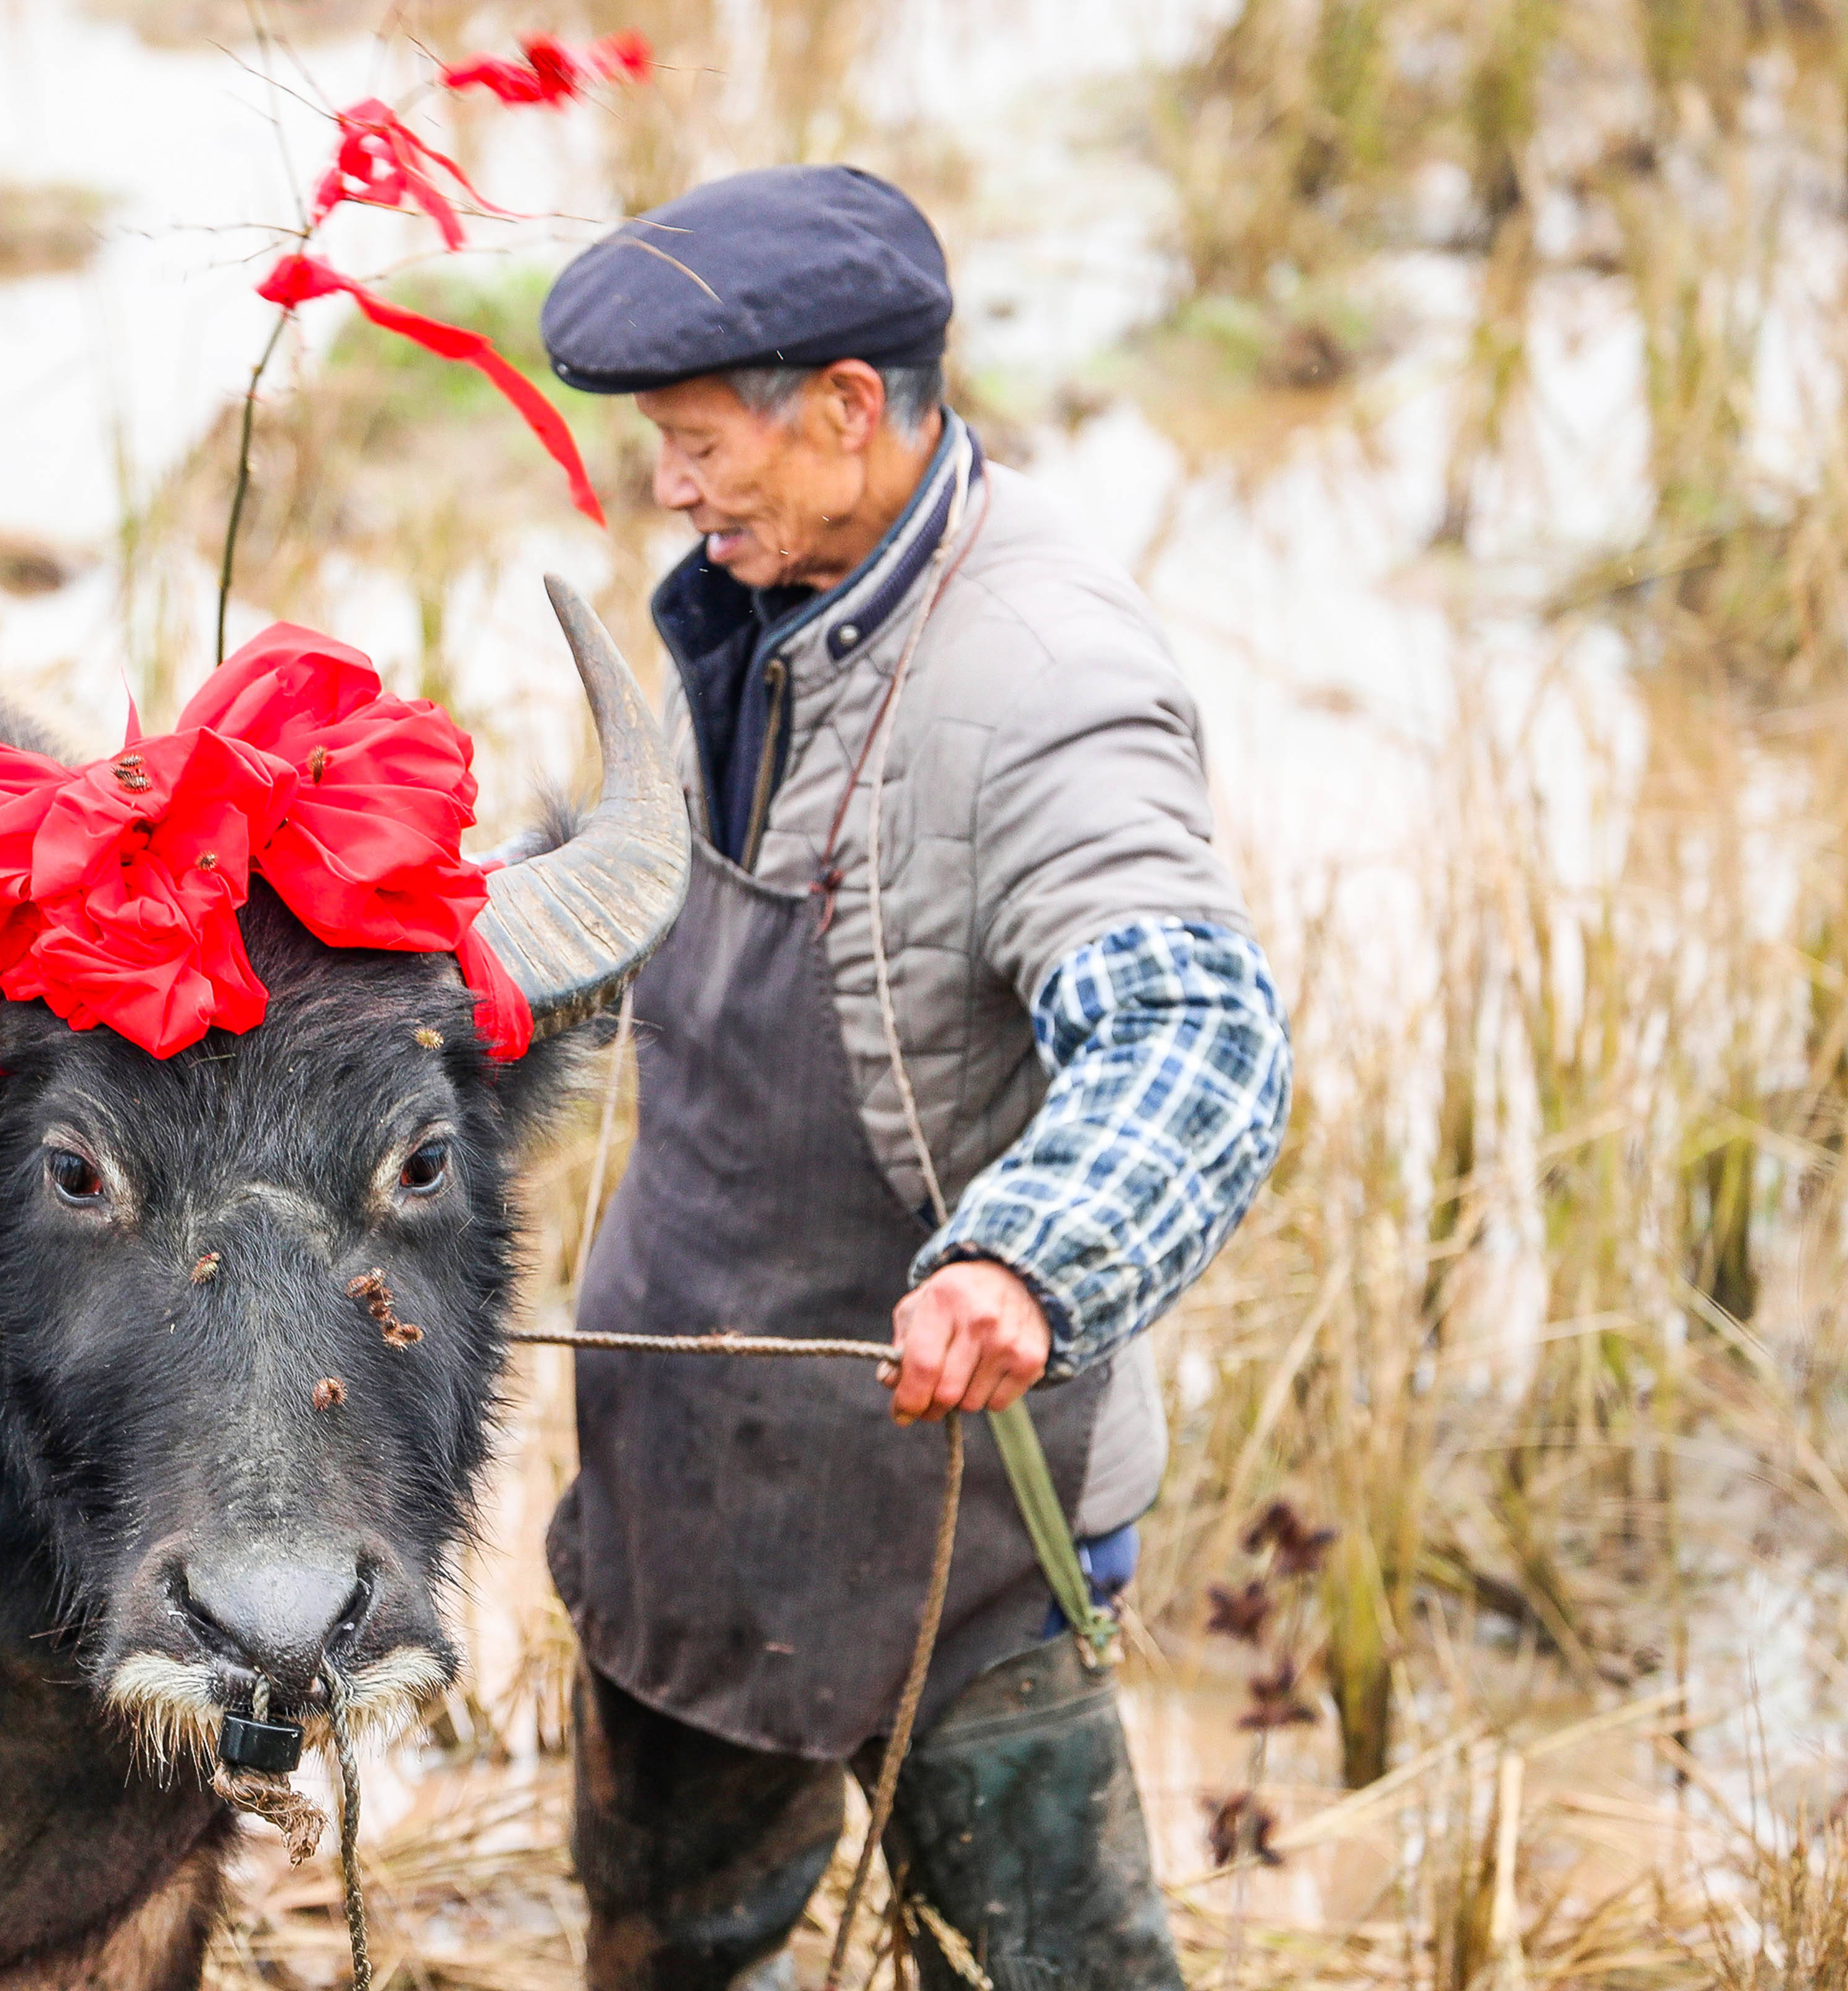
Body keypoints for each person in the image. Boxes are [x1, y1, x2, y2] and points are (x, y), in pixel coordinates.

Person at [536, 165, 1293, 1991]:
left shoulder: (1038, 676)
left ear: (855, 410)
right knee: (670, 1955)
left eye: (702, 442)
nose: (673, 485)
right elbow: (631, 890)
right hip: (688, 1496)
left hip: (955, 1521)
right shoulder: (754, 596)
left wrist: (1023, 1261)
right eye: (659, 444)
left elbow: (1197, 1032)